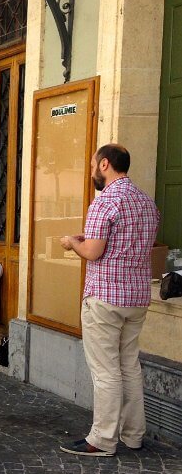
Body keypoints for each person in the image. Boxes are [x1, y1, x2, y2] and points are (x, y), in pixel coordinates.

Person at [59, 144, 159, 457]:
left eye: (93, 165)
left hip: (105, 296)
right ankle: (133, 434)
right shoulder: (146, 201)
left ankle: (102, 439)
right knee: (129, 366)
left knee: (106, 371)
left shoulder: (105, 201)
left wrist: (72, 243)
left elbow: (93, 251)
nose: (92, 171)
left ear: (104, 164)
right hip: (137, 296)